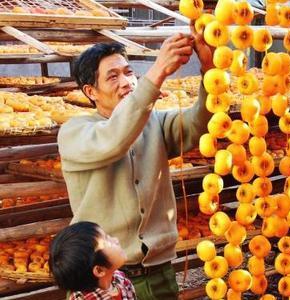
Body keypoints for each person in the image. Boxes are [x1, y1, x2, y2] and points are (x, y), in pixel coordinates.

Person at [57, 25, 214, 299]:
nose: (127, 81)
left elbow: (198, 124)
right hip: (102, 280)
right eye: (113, 77)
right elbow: (114, 139)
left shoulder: (153, 122)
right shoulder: (74, 133)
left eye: (129, 72)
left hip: (159, 271)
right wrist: (157, 73)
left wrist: (209, 70)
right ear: (91, 91)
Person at [49, 221, 136, 300]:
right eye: (107, 242)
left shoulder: (119, 279)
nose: (116, 240)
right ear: (99, 270)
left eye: (108, 236)